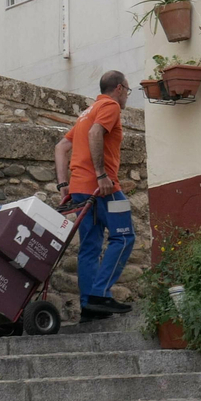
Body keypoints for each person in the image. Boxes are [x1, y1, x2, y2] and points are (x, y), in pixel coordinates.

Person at [54, 70, 134, 319]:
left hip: (79, 189)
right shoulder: (110, 106)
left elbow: (61, 147)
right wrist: (101, 175)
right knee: (124, 237)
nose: (127, 96)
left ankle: (89, 306)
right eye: (128, 91)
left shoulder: (85, 113)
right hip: (104, 188)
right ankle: (100, 294)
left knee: (89, 247)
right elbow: (95, 134)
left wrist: (62, 184)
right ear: (119, 88)